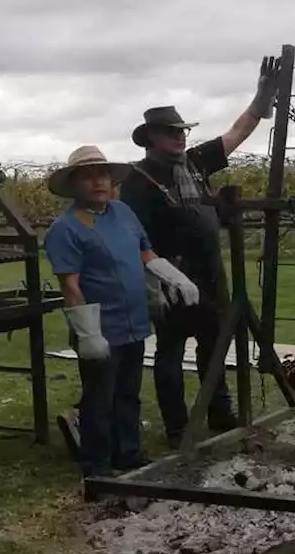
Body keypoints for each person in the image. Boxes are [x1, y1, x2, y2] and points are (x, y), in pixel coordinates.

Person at [120, 59, 283, 448]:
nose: (180, 138)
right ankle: (178, 426)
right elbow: (136, 237)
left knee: (215, 347)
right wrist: (160, 281)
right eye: (171, 133)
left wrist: (262, 98)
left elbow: (237, 133)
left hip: (210, 275)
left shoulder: (195, 164)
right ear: (151, 138)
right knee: (171, 354)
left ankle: (219, 411)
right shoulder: (137, 180)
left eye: (181, 131)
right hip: (171, 279)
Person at [44, 145, 200, 478]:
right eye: (88, 177)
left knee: (128, 393)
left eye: (102, 175)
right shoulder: (66, 228)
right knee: (100, 398)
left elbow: (146, 253)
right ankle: (97, 466)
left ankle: (128, 456)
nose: (97, 182)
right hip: (101, 328)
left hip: (134, 322)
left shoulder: (123, 213)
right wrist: (88, 333)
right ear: (74, 185)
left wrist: (173, 277)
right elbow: (70, 285)